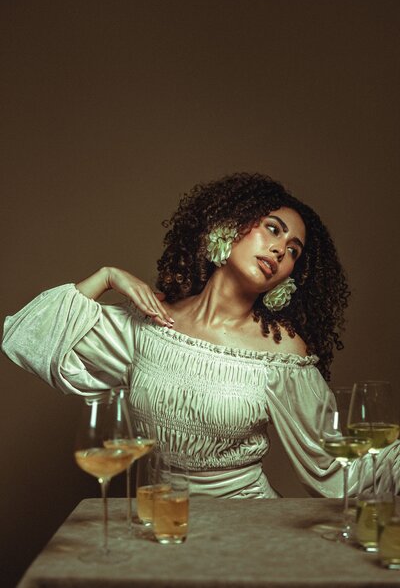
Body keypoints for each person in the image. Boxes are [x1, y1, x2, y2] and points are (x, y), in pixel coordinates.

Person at [2, 173, 398, 498]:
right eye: (272, 230)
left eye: (293, 251)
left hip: (247, 527)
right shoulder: (151, 326)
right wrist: (108, 276)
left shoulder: (281, 352)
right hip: (159, 516)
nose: (280, 250)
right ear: (229, 227)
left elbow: (328, 467)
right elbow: (28, 337)